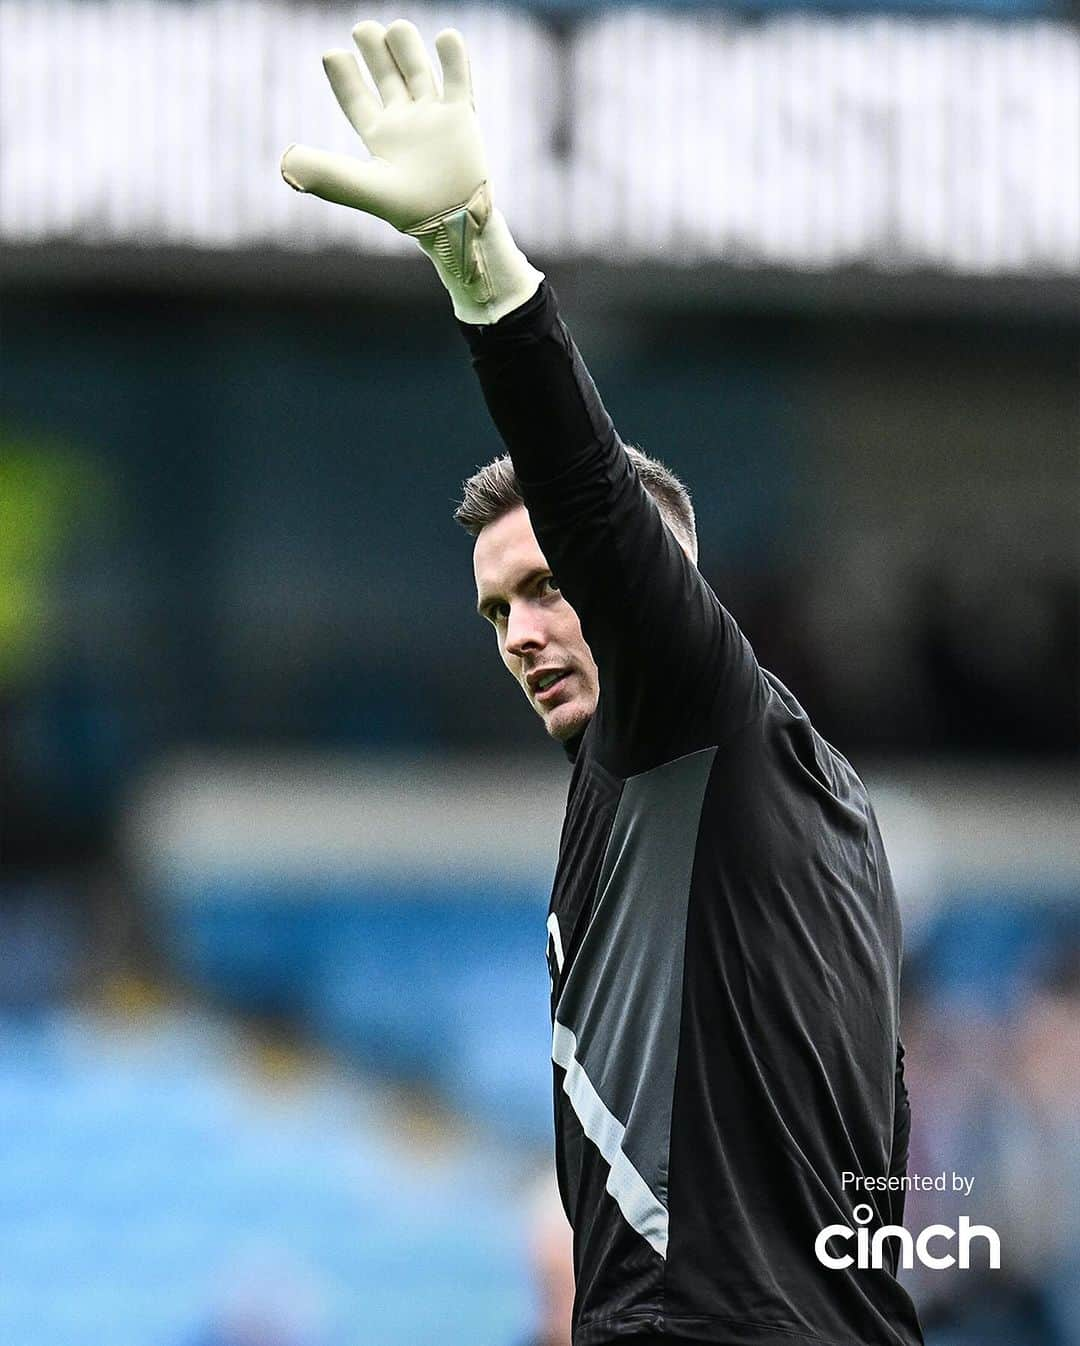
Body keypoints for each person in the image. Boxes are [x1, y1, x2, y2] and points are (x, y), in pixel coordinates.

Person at [282, 22, 925, 1346]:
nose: (518, 629)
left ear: (652, 588)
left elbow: (582, 483)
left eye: (548, 585)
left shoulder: (698, 710)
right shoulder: (716, 799)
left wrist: (478, 263)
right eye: (496, 607)